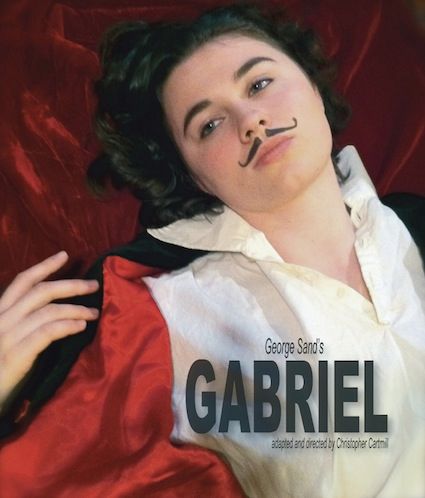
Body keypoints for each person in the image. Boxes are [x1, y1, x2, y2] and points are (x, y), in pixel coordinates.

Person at [1, 4, 424, 497]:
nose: (251, 121)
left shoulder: (413, 223)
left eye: (259, 84)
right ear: (193, 174)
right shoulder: (164, 316)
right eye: (208, 124)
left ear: (312, 86)